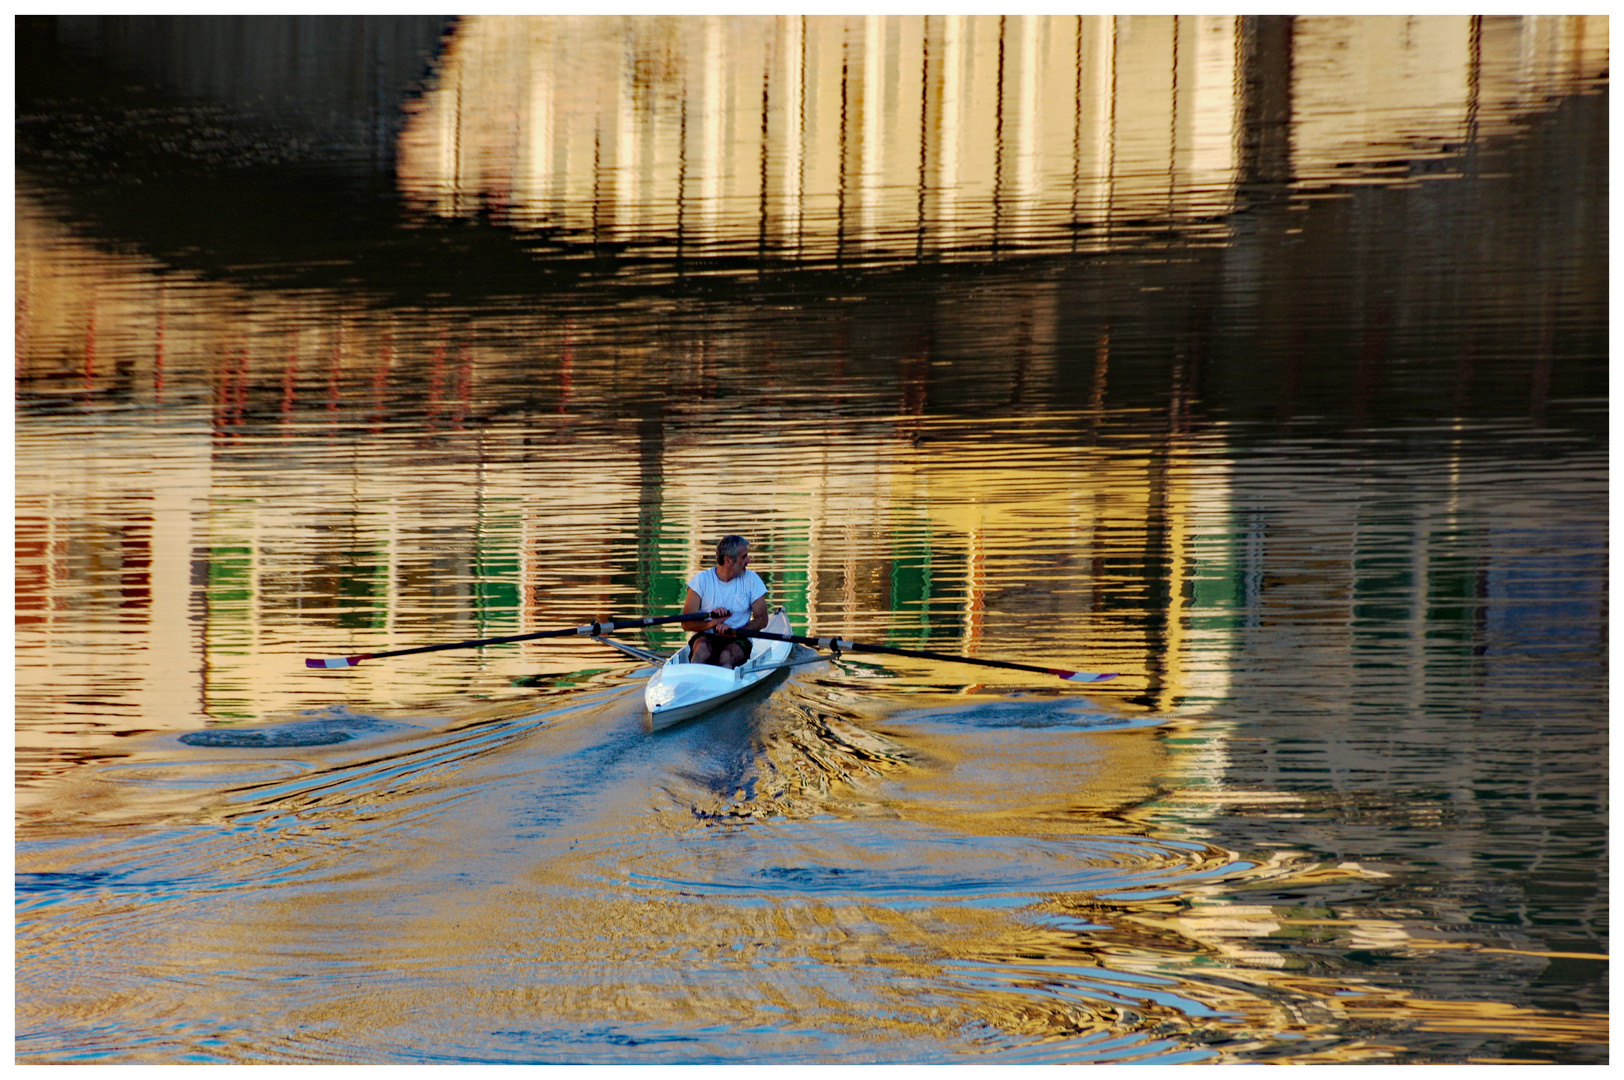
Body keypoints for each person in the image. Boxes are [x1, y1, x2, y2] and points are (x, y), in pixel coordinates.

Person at [681, 534, 768, 669]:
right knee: (701, 651)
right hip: (706, 637)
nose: (749, 560)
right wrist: (712, 623)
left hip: (739, 638)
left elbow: (762, 619)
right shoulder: (701, 581)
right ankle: (692, 678)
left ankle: (723, 685)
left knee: (726, 656)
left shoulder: (752, 580)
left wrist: (736, 631)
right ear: (728, 561)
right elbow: (686, 623)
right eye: (744, 557)